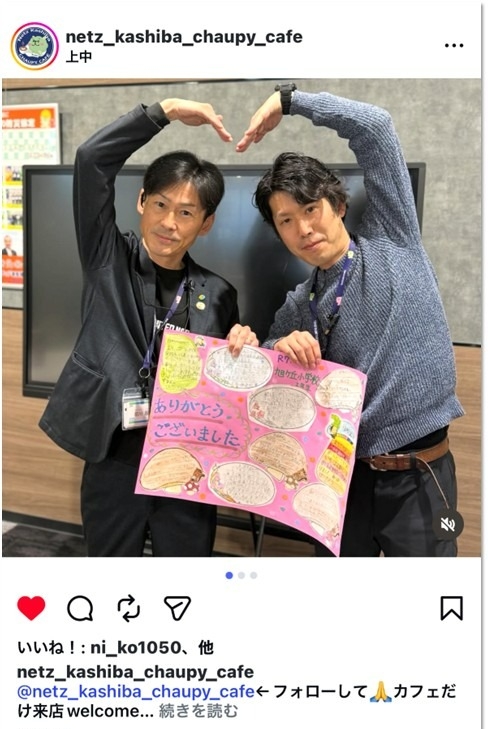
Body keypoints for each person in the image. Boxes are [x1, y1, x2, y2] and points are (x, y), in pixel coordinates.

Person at [236, 85, 464, 557]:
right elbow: (269, 364)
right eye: (286, 220)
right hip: (338, 481)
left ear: (338, 206)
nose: (304, 229)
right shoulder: (299, 302)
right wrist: (279, 349)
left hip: (420, 475)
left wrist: (290, 100)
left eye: (310, 209)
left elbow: (376, 128)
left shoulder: (393, 238)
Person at [39, 97, 257, 557]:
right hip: (114, 453)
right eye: (160, 204)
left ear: (206, 223)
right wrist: (164, 111)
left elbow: (226, 385)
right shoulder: (107, 258)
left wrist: (245, 346)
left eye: (186, 212)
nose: (169, 223)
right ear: (141, 202)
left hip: (187, 458)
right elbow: (91, 160)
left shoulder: (219, 293)